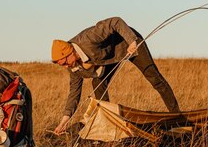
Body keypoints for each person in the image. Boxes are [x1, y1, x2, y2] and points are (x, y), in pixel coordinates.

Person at [51, 16, 180, 134]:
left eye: (66, 62)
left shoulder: (88, 38)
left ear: (70, 52)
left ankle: (178, 118)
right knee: (98, 83)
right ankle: (107, 125)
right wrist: (64, 121)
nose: (66, 66)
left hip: (129, 43)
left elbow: (115, 22)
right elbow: (74, 93)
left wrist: (131, 41)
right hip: (111, 57)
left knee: (154, 78)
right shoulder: (73, 67)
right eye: (62, 65)